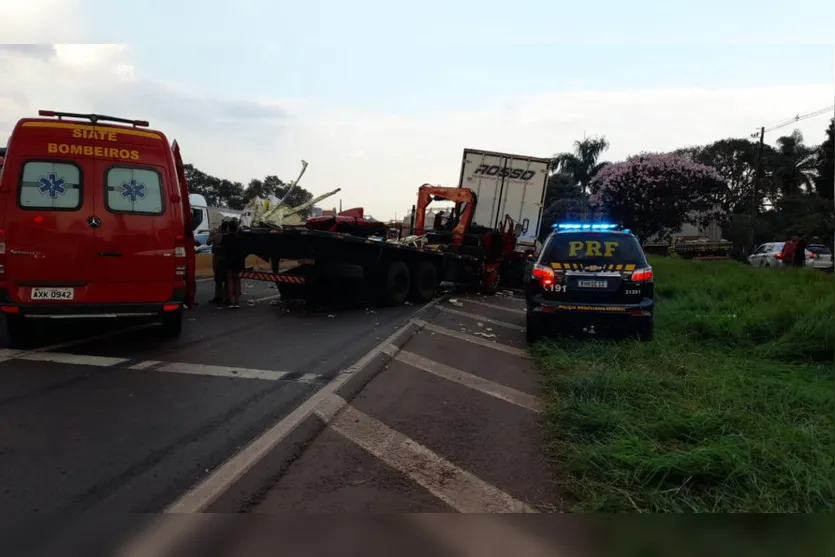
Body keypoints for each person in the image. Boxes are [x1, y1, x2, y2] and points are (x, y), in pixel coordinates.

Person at [222, 220, 245, 308]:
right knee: (237, 281)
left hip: (229, 261)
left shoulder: (225, 238)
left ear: (229, 228)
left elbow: (223, 249)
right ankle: (237, 301)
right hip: (238, 262)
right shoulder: (240, 239)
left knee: (230, 281)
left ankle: (231, 300)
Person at [207, 221, 229, 304]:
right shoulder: (222, 234)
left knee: (221, 279)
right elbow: (208, 242)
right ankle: (224, 297)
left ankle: (220, 297)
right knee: (222, 279)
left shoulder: (218, 234)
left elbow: (208, 242)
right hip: (222, 258)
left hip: (220, 258)